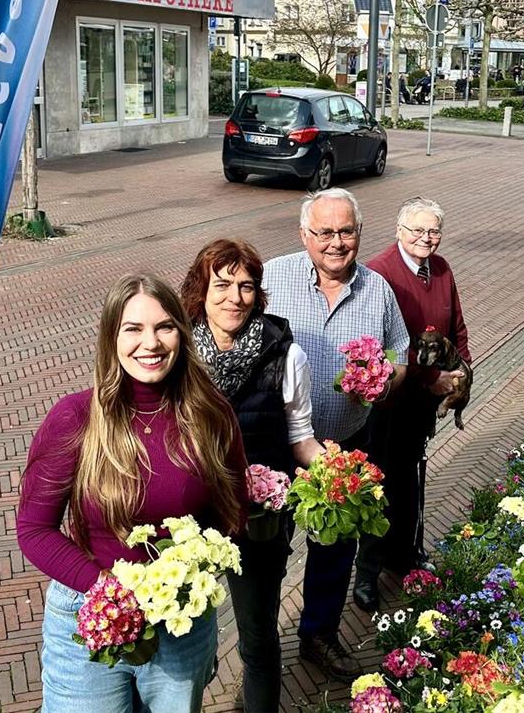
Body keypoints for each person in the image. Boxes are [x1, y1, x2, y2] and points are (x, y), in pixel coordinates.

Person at [18, 273, 247, 712]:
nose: (151, 343)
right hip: (91, 613)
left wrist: (192, 570)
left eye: (164, 327)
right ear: (111, 337)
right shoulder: (75, 419)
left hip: (179, 621)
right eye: (133, 329)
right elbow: (34, 529)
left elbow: (233, 507)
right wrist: (104, 588)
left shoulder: (211, 413)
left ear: (182, 332)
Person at [262, 188, 410, 680]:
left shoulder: (378, 289)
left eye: (345, 231)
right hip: (279, 448)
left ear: (359, 233)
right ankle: (260, 647)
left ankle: (318, 635)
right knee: (269, 548)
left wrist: (386, 378)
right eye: (324, 232)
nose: (335, 242)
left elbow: (401, 354)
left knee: (335, 546)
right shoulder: (272, 278)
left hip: (346, 443)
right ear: (304, 234)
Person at [180, 239, 323, 712]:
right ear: (202, 290)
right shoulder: (177, 353)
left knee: (257, 639)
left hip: (257, 521)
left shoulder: (286, 356)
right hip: (186, 521)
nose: (234, 298)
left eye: (246, 286)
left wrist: (336, 472)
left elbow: (301, 437)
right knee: (182, 645)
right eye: (222, 285)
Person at [354, 197, 471, 613]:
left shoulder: (440, 268)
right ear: (399, 231)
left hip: (426, 397)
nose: (426, 238)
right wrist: (429, 378)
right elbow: (383, 343)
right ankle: (366, 573)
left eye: (433, 231)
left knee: (411, 477)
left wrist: (462, 370)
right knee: (380, 484)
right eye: (418, 230)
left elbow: (455, 324)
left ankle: (404, 555)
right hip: (391, 401)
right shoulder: (380, 272)